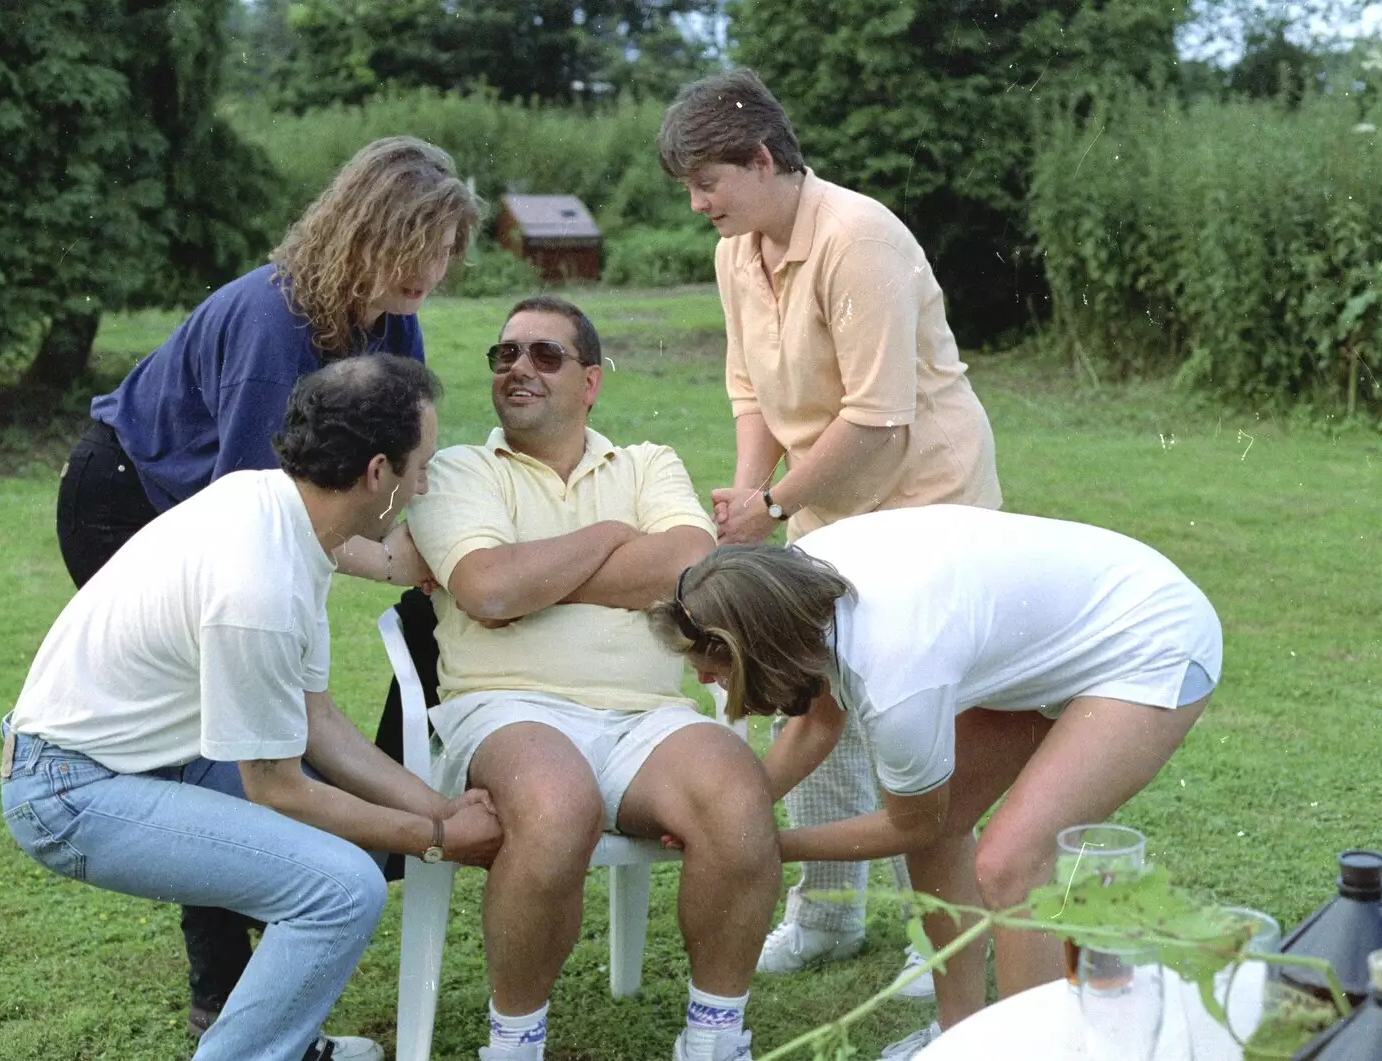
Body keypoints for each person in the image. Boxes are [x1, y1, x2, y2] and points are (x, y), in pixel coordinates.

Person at [53, 135, 477, 1033]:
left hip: (238, 515)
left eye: (448, 248)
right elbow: (286, 507)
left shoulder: (390, 321)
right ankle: (224, 988)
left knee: (250, 728)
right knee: (220, 741)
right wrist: (402, 562)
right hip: (127, 497)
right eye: (425, 244)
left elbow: (387, 465)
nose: (438, 268)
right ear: (371, 231)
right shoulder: (272, 324)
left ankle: (263, 931)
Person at [1, 356, 502, 1061]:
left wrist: (440, 809)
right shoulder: (259, 587)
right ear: (378, 473)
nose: (427, 483)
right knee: (341, 886)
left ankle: (277, 1039)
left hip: (141, 760)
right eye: (422, 465)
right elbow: (278, 789)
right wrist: (438, 836)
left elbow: (316, 722)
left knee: (337, 848)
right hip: (70, 789)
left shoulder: (280, 511)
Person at [650, 505, 1222, 1060]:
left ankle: (1036, 1052)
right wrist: (732, 816)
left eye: (712, 664)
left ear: (756, 647)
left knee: (1009, 864)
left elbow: (917, 822)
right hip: (1058, 637)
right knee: (950, 835)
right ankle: (962, 1036)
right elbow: (817, 723)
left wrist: (764, 846)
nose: (702, 678)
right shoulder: (795, 586)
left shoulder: (895, 672)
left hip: (1148, 640)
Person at [657, 69, 1002, 986]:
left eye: (706, 183)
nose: (696, 204)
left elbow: (879, 416)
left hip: (927, 498)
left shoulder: (860, 236)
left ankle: (947, 950)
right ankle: (829, 915)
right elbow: (751, 385)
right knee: (813, 693)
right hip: (822, 496)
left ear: (761, 159)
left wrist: (770, 507)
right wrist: (745, 495)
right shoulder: (740, 247)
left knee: (934, 726)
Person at [403, 296, 781, 1061]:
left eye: (546, 355)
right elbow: (485, 590)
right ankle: (513, 1044)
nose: (519, 368)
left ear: (591, 381)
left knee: (738, 793)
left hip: (647, 716)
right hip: (506, 709)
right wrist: (612, 540)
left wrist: (526, 575)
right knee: (557, 802)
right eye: (505, 355)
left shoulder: (648, 462)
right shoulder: (458, 469)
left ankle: (713, 1040)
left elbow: (686, 564)